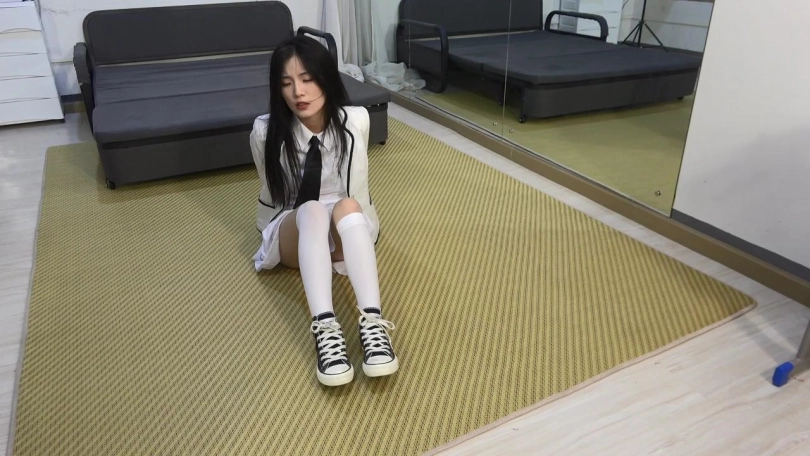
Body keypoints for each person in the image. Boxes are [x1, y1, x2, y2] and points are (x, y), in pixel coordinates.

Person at [249, 35, 398, 387]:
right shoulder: (265, 131)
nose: (298, 92)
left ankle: (373, 324)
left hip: (346, 229)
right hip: (296, 228)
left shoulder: (356, 121)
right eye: (286, 83)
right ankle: (326, 329)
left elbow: (358, 189)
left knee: (347, 205)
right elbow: (272, 193)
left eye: (307, 79)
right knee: (313, 210)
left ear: (327, 79)